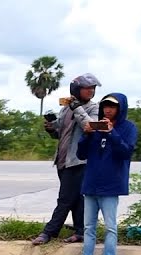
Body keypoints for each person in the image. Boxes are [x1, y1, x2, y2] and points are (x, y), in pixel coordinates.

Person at [69, 93, 137, 255]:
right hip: (91, 183)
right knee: (88, 227)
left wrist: (111, 132)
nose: (108, 109)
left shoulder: (128, 127)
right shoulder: (96, 126)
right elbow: (82, 154)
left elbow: (126, 152)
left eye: (113, 106)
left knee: (110, 227)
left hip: (111, 185)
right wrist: (86, 135)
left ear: (120, 108)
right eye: (105, 106)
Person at [34, 73, 101, 245]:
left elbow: (89, 127)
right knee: (76, 199)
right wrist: (51, 128)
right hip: (63, 160)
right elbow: (61, 133)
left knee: (64, 198)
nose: (91, 91)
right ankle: (81, 231)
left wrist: (77, 108)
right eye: (87, 88)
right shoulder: (65, 108)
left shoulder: (93, 108)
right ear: (77, 89)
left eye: (93, 89)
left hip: (79, 161)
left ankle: (49, 232)